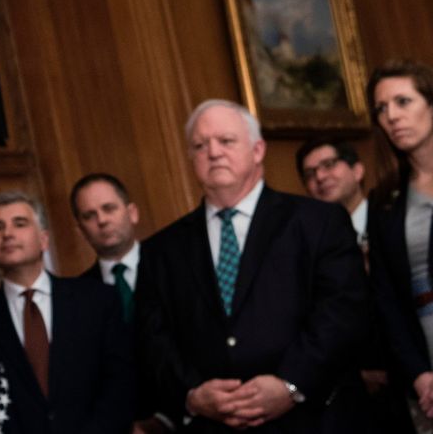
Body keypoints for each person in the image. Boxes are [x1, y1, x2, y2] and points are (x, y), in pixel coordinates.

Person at [137, 99, 369, 432]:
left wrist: (291, 384)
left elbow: (342, 311)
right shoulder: (162, 249)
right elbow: (154, 338)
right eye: (200, 146)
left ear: (257, 150)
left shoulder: (317, 221)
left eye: (226, 141)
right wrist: (192, 394)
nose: (213, 152)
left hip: (314, 418)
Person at [366, 59, 433, 433]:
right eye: (381, 108)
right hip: (425, 382)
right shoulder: (383, 201)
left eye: (403, 102)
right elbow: (386, 300)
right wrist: (421, 379)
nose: (392, 116)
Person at [0, 192, 134, 433]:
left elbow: (120, 383)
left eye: (20, 223)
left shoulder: (96, 300)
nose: (7, 234)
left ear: (44, 239)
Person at [298, 136, 415, 433]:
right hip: (356, 389)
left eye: (328, 165)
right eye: (310, 174)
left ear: (358, 170)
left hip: (418, 366)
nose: (320, 177)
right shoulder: (306, 244)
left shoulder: (393, 218)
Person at [71, 172, 140, 322]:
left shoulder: (169, 264)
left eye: (109, 208)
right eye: (89, 216)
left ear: (132, 213)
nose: (102, 220)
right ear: (81, 231)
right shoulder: (78, 296)